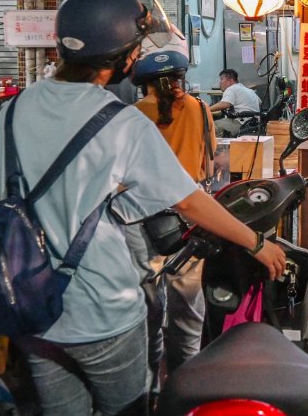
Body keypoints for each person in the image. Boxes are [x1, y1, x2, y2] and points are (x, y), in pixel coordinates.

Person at [0, 0, 285, 416]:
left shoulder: (12, 111)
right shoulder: (120, 121)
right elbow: (189, 202)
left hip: (34, 309)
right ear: (124, 55)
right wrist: (256, 243)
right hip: (104, 310)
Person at [131, 49, 216, 386]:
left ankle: (150, 389)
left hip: (144, 219)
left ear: (144, 85)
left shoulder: (135, 115)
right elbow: (209, 166)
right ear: (181, 79)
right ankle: (185, 387)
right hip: (191, 218)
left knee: (148, 308)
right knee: (188, 310)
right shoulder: (202, 109)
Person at [209, 68, 261, 137]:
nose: (220, 82)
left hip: (241, 123)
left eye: (222, 79)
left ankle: (218, 147)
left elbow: (225, 104)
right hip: (255, 124)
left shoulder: (232, 88)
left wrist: (207, 109)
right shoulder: (248, 90)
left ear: (230, 80)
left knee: (211, 126)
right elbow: (259, 102)